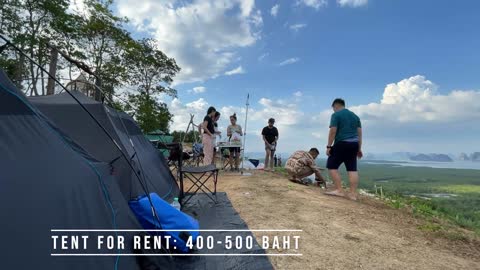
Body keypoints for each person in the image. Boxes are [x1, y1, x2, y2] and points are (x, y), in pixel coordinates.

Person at [325, 98, 363, 200]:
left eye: (333, 108)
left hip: (342, 143)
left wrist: (329, 146)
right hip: (354, 145)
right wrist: (359, 148)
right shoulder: (355, 117)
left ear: (335, 106)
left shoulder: (336, 115)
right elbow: (359, 134)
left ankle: (339, 190)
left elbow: (333, 131)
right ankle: (353, 194)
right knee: (352, 168)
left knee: (331, 165)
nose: (333, 110)